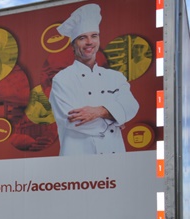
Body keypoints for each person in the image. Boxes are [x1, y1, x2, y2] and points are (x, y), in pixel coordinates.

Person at [49, 3, 139, 156]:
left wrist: (99, 112)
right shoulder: (62, 79)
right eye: (82, 38)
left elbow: (132, 107)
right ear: (73, 44)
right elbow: (74, 121)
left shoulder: (115, 77)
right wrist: (116, 117)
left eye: (94, 36)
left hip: (114, 155)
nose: (89, 42)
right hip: (79, 158)